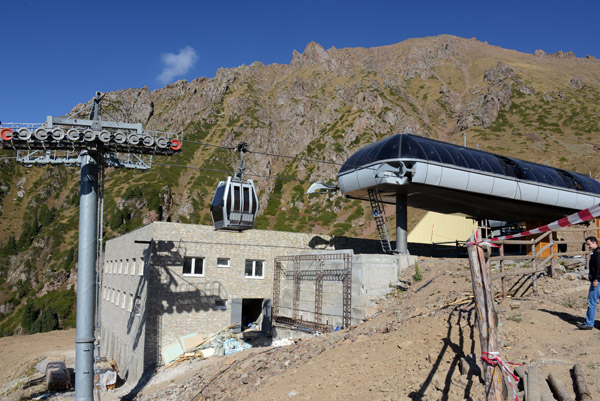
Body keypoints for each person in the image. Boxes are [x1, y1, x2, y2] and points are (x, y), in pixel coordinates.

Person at [579, 236, 600, 329]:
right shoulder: (596, 253)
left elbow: (599, 267)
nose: (588, 246)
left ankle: (589, 323)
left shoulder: (597, 254)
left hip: (598, 281)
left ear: (595, 242)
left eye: (589, 244)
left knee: (592, 302)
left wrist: (596, 279)